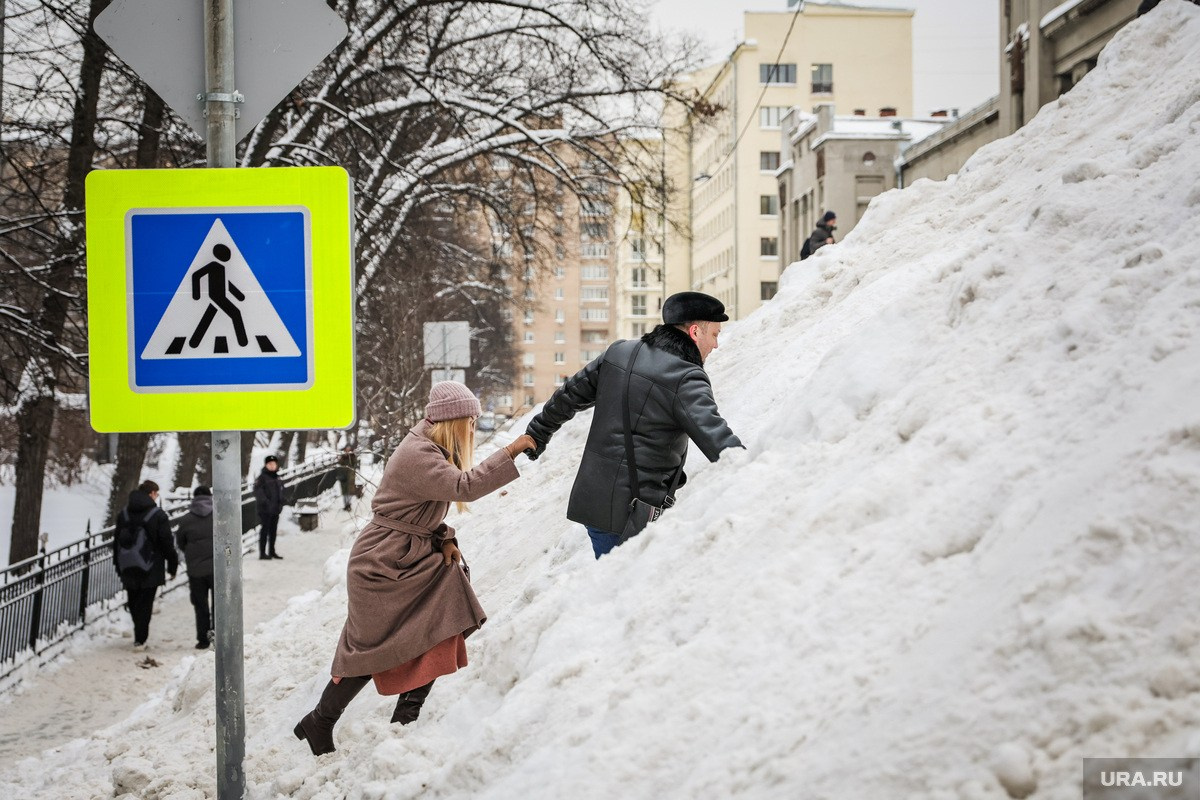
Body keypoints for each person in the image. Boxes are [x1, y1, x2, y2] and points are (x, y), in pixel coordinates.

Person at [294, 381, 536, 756]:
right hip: (380, 564)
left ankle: (407, 717)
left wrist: (445, 538)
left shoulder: (431, 447)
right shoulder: (418, 453)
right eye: (470, 420)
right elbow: (464, 487)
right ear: (452, 420)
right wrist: (511, 450)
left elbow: (417, 510)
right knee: (369, 648)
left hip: (407, 555)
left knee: (447, 620)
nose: (473, 428)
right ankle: (320, 721)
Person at [523, 291, 742, 559]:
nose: (716, 345)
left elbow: (569, 395)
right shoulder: (686, 377)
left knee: (611, 584)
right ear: (695, 332)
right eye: (715, 335)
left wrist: (538, 432)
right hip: (632, 515)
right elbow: (717, 438)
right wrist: (755, 470)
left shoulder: (620, 352)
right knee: (622, 594)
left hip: (594, 501)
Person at [113, 480, 177, 650]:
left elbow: (116, 541)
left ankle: (138, 634)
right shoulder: (158, 515)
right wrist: (172, 565)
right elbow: (167, 543)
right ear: (151, 494)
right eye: (156, 493)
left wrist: (118, 565)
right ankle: (140, 638)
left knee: (133, 599)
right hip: (151, 566)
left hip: (128, 566)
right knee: (145, 603)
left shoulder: (124, 513)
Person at [174, 485, 215, 650]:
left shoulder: (186, 519)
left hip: (196, 569)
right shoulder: (218, 516)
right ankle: (218, 634)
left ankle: (203, 638)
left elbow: (180, 543)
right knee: (219, 603)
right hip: (215, 568)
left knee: (200, 604)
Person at [253, 454, 285, 560]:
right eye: (270, 464)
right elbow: (258, 492)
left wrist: (280, 503)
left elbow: (280, 491)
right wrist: (266, 502)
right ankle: (262, 553)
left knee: (273, 531)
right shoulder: (262, 478)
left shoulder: (277, 477)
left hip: (275, 509)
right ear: (266, 465)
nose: (272, 466)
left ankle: (272, 551)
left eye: (274, 464)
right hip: (265, 510)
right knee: (265, 530)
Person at [336, 446, 358, 511]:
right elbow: (339, 463)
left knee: (349, 491)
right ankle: (345, 504)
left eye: (349, 450)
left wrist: (350, 457)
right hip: (343, 477)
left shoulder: (353, 457)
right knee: (344, 491)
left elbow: (354, 465)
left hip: (350, 477)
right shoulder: (343, 457)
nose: (347, 451)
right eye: (346, 450)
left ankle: (349, 504)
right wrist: (343, 457)